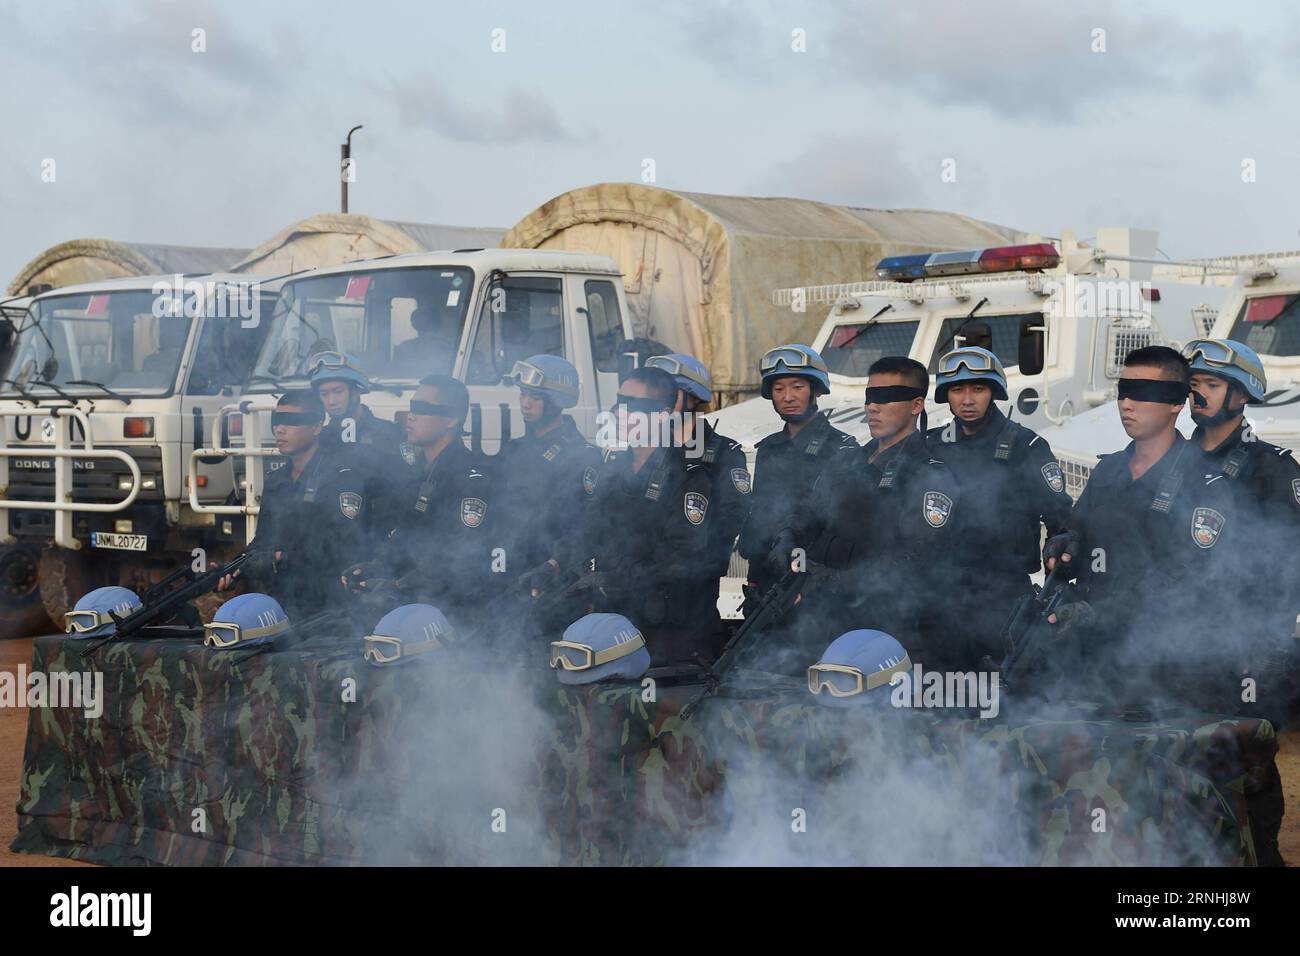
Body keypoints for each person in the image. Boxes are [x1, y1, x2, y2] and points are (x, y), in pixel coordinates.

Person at [521, 367, 724, 666]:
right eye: (619, 403)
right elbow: (588, 531)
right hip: (610, 622)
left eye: (634, 406)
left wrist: (618, 577)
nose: (620, 413)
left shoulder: (688, 476)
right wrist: (553, 565)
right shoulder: (614, 468)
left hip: (664, 634)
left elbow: (684, 560)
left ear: (663, 415)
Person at [798, 357, 961, 666]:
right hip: (832, 623)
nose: (873, 407)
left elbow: (909, 558)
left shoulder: (930, 475)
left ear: (916, 405)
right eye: (870, 397)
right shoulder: (848, 462)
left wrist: (827, 583)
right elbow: (809, 515)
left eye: (886, 398)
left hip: (893, 629)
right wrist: (788, 543)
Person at [925, 346, 1072, 668]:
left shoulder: (1025, 445)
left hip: (1003, 593)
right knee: (939, 692)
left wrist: (1057, 567)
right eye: (957, 389)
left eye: (977, 389)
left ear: (993, 392)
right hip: (940, 592)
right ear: (945, 395)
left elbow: (1062, 520)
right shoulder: (931, 444)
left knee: (1005, 693)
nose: (967, 399)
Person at [342, 375, 497, 633]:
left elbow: (461, 561)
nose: (410, 416)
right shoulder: (414, 473)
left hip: (452, 619)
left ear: (452, 419)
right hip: (406, 608)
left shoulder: (470, 479)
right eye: (412, 408)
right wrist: (376, 568)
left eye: (422, 409)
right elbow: (406, 540)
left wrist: (397, 585)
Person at [219, 390, 371, 619]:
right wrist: (236, 569)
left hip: (330, 606)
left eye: (292, 422)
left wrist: (279, 558)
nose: (280, 429)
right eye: (277, 421)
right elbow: (263, 540)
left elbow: (343, 546)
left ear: (317, 427)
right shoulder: (278, 480)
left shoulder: (341, 478)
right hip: (283, 602)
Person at [736, 345, 856, 608]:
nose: (788, 396)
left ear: (816, 390)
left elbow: (841, 528)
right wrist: (754, 582)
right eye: (779, 389)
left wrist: (811, 582)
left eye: (797, 387)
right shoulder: (768, 449)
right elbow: (760, 518)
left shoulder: (843, 448)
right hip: (769, 587)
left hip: (817, 588)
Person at [646, 352, 752, 613]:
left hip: (694, 599)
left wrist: (690, 566)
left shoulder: (724, 452)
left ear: (694, 396)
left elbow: (731, 519)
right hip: (642, 594)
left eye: (669, 392)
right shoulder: (646, 451)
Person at [496, 355, 602, 578]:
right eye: (522, 394)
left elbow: (583, 527)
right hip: (509, 566)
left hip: (551, 573)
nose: (525, 404)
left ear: (557, 401)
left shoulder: (583, 455)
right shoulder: (514, 448)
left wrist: (553, 567)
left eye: (535, 397)